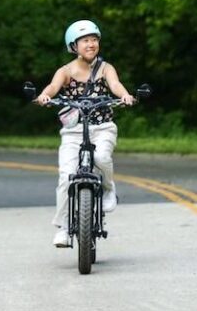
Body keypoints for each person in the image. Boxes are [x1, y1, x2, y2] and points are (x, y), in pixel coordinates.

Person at [35, 19, 135, 247]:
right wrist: (44, 96)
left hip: (103, 128)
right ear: (74, 46)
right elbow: (53, 87)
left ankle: (108, 188)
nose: (91, 44)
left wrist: (125, 95)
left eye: (94, 40)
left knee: (101, 157)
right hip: (73, 132)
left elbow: (115, 85)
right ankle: (63, 227)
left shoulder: (106, 68)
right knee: (66, 176)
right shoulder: (66, 71)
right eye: (85, 41)